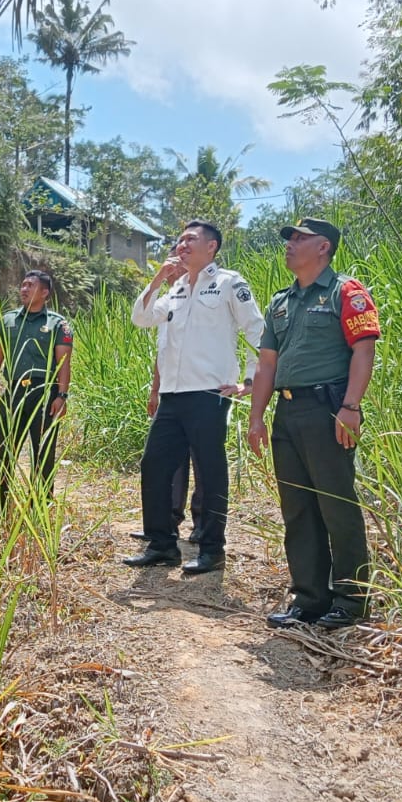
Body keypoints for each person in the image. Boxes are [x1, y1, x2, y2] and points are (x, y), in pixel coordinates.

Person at [246, 218, 377, 629]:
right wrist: (256, 417)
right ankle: (309, 599)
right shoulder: (281, 302)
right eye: (289, 238)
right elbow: (268, 365)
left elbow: (363, 350)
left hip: (329, 410)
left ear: (324, 247)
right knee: (298, 509)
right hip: (287, 414)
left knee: (336, 505)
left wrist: (351, 406)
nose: (290, 245)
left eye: (299, 239)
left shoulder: (346, 292)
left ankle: (351, 602)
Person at [123, 220, 262, 575]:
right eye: (179, 239)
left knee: (210, 471)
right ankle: (162, 544)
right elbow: (141, 318)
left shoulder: (230, 283)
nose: (182, 245)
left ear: (212, 246)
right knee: (154, 465)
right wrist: (157, 280)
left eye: (190, 240)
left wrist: (249, 379)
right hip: (172, 394)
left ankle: (213, 549)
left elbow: (256, 330)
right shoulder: (176, 289)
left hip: (208, 393)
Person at [0, 270, 73, 514]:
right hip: (15, 392)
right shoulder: (8, 320)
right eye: (23, 284)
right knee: (4, 449)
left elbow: (64, 362)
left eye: (31, 285)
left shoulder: (58, 324)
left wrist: (61, 396)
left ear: (45, 292)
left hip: (45, 393)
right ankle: (2, 504)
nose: (24, 289)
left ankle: (41, 503)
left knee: (43, 452)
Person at [131, 361, 206, 544]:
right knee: (169, 461)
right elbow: (162, 352)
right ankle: (166, 522)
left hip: (205, 393)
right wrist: (155, 390)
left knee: (202, 460)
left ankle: (203, 524)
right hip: (171, 394)